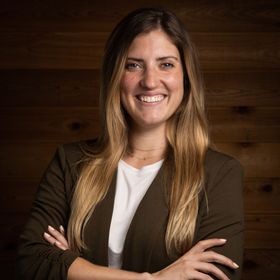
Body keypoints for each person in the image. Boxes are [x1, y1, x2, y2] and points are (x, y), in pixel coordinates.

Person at [16, 7, 244, 280]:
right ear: (115, 76)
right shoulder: (70, 162)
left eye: (166, 64)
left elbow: (216, 275)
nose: (149, 81)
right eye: (133, 65)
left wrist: (71, 265)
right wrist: (153, 279)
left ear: (186, 77)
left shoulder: (219, 173)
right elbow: (32, 263)